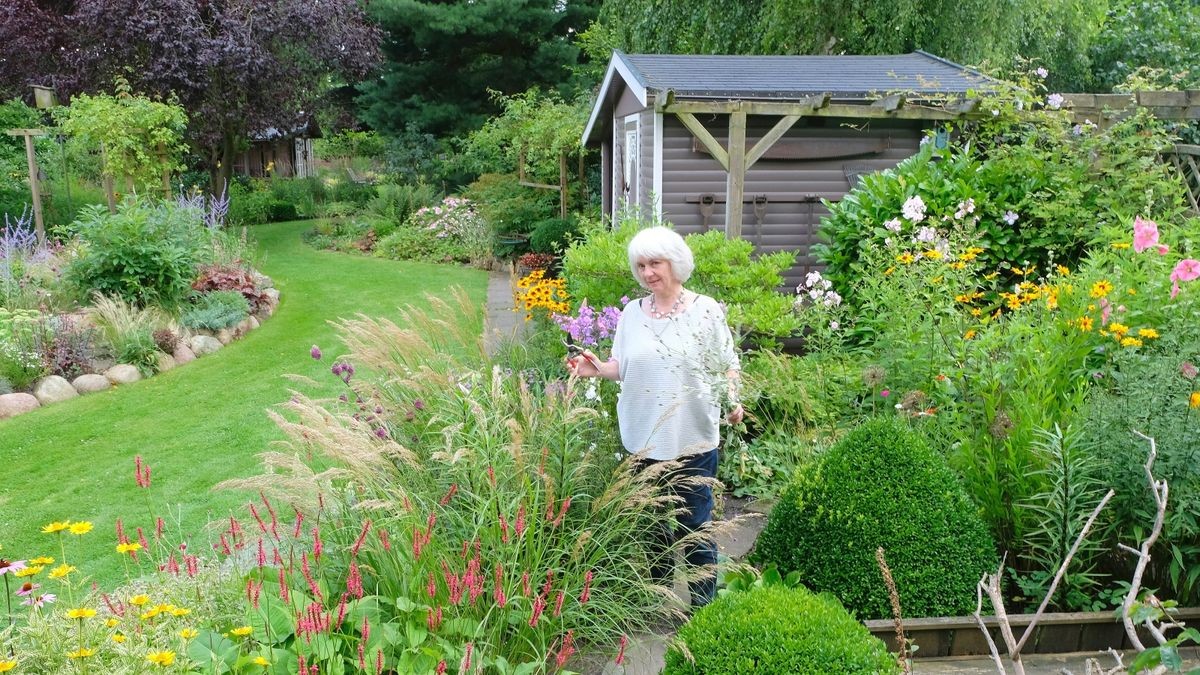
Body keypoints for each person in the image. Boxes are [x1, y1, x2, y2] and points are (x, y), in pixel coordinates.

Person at [566, 226, 743, 608]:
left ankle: (702, 606)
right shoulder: (632, 313)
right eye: (641, 265)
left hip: (691, 437)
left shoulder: (705, 310)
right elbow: (623, 367)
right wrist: (596, 369)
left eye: (655, 263)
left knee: (694, 524)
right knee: (651, 525)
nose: (648, 273)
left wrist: (733, 402)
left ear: (675, 263)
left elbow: (727, 366)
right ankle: (656, 596)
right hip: (642, 437)